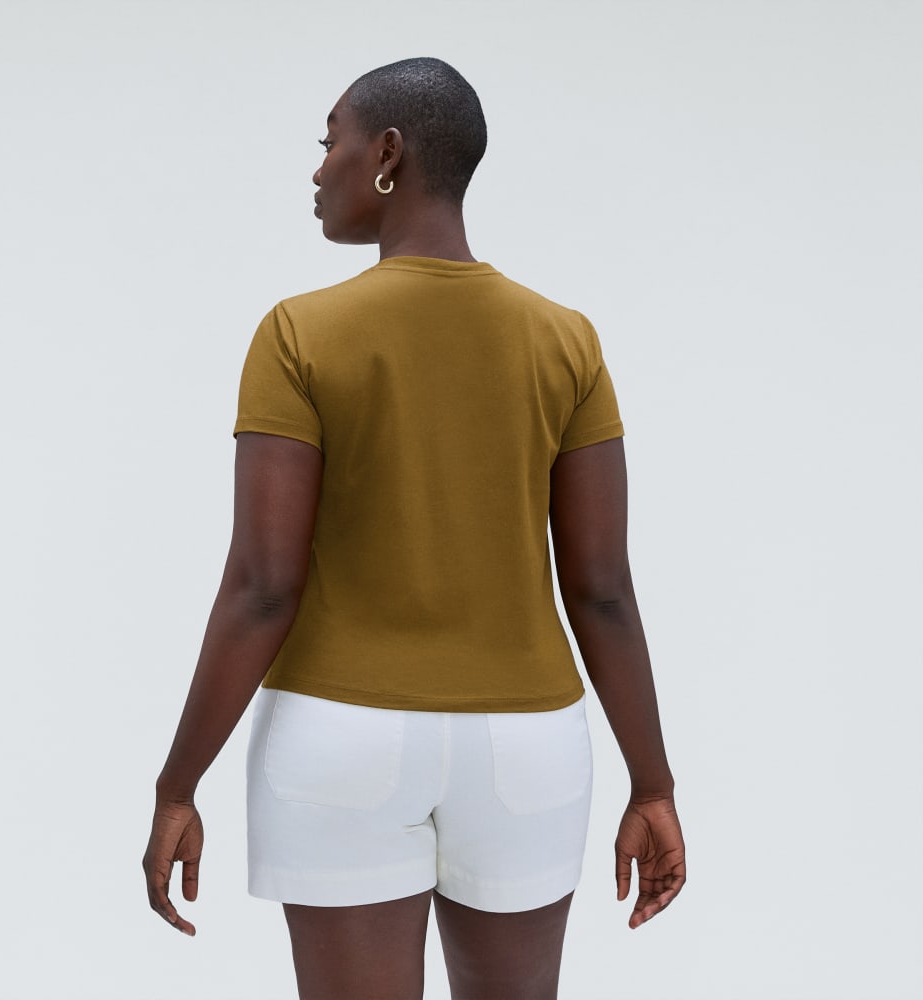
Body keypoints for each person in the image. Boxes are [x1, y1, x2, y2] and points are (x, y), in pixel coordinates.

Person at [143, 57, 685, 1000]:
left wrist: (177, 784)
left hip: (337, 740)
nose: (319, 168)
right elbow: (601, 589)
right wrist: (654, 783)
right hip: (527, 749)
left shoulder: (298, 335)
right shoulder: (566, 341)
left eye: (331, 142)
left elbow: (263, 587)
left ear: (387, 154)